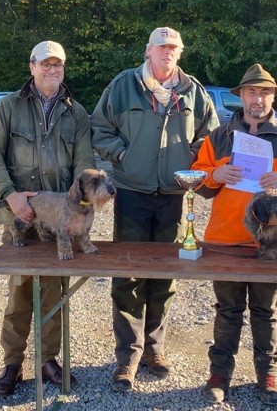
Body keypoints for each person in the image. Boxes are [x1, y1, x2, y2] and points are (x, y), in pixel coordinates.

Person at [90, 26, 217, 393]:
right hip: (132, 191)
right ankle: (127, 357)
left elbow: (210, 137)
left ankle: (154, 350)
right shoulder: (123, 86)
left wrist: (192, 162)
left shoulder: (193, 91)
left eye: (173, 47)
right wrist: (124, 155)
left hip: (177, 195)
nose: (167, 52)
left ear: (180, 52)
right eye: (161, 46)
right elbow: (100, 129)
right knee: (128, 275)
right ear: (148, 50)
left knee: (165, 275)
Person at [192, 64, 277, 405]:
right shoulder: (219, 136)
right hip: (225, 239)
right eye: (252, 91)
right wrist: (215, 173)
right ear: (241, 96)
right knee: (227, 310)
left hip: (272, 244)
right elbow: (198, 180)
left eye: (265, 92)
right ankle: (220, 373)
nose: (258, 98)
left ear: (272, 97)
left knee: (266, 311)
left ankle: (268, 374)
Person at [0, 40, 95, 397]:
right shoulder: (8, 107)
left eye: (57, 64)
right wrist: (10, 196)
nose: (52, 70)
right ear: (31, 67)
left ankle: (48, 360)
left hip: (57, 221)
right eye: (45, 64)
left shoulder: (76, 113)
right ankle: (12, 363)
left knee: (52, 293)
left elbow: (84, 168)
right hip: (21, 217)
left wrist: (82, 211)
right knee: (19, 295)